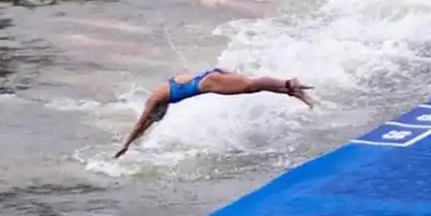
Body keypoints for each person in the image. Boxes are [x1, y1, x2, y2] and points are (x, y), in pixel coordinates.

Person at [114, 69, 314, 158]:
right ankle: (292, 90)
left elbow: (141, 123)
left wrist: (126, 144)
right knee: (251, 87)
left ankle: (290, 84)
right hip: (210, 75)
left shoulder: (154, 100)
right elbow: (147, 125)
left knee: (251, 85)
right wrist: (136, 143)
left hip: (208, 83)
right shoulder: (162, 92)